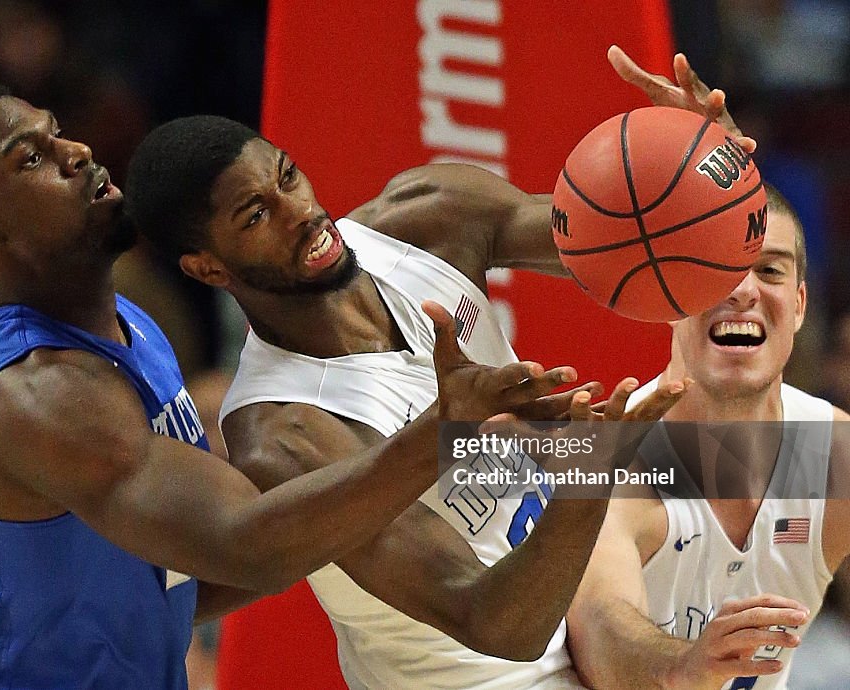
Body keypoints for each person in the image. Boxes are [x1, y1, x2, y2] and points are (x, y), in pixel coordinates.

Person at [0, 84, 597, 689]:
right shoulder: (42, 395)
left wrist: (700, 173)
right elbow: (250, 544)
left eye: (55, 134)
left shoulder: (126, 329)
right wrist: (445, 440)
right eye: (32, 159)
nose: (73, 152)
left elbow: (201, 569)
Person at [125, 77, 691, 686]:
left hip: (580, 587)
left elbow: (628, 245)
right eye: (258, 214)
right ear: (208, 266)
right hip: (496, 672)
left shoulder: (427, 216)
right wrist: (591, 468)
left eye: (287, 177)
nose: (303, 214)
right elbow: (499, 626)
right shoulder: (287, 435)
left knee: (791, 459)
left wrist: (703, 173)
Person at [565, 183, 850, 688]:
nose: (742, 289)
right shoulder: (612, 457)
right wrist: (685, 665)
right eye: (715, 269)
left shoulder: (831, 455)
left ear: (800, 305)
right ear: (669, 299)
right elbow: (601, 631)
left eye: (769, 270)